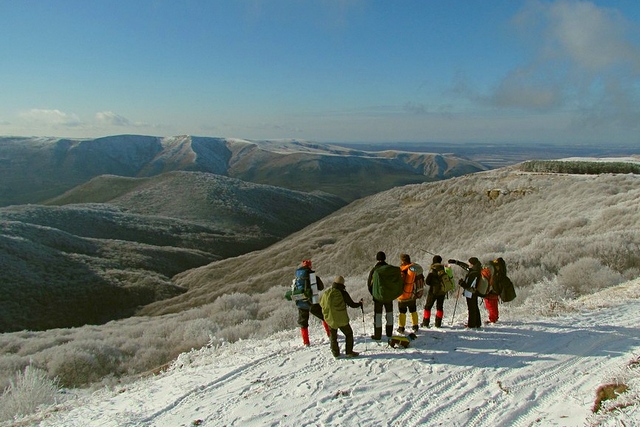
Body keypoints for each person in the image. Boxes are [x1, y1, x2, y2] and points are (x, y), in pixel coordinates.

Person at [320, 276, 364, 358]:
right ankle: (349, 352)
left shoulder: (326, 293)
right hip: (341, 319)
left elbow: (321, 304)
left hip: (330, 319)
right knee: (349, 334)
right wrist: (360, 303)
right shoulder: (343, 293)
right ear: (342, 283)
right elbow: (352, 304)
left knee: (333, 337)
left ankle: (336, 354)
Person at [293, 259, 331, 346]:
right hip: (312, 302)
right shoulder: (313, 276)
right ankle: (330, 334)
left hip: (300, 302)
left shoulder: (297, 277)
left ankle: (306, 342)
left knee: (303, 322)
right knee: (324, 316)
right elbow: (321, 287)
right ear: (310, 266)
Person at [367, 251, 394, 340]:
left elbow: (369, 284)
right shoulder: (389, 269)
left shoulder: (375, 270)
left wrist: (374, 294)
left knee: (378, 316)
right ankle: (389, 333)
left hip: (378, 297)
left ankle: (377, 335)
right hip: (388, 296)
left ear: (377, 259)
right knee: (389, 314)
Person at [448, 257, 482, 328]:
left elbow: (468, 285)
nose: (468, 264)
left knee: (471, 308)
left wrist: (461, 283)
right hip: (475, 292)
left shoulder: (473, 273)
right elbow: (466, 267)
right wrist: (456, 262)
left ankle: (471, 325)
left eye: (469, 263)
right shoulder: (477, 269)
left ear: (472, 264)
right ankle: (477, 323)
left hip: (470, 293)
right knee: (475, 307)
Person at [422, 255, 447, 328]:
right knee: (440, 307)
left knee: (427, 307)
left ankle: (426, 323)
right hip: (442, 291)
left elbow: (427, 282)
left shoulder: (433, 269)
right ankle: (438, 324)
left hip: (433, 291)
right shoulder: (445, 269)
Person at [397, 253, 420, 333]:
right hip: (411, 294)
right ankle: (415, 326)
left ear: (402, 261)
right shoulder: (413, 269)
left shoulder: (401, 269)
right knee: (413, 311)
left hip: (402, 296)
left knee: (402, 312)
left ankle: (401, 327)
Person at [484, 257, 507, 323]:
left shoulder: (494, 269)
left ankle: (493, 319)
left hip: (491, 290)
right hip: (497, 289)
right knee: (493, 305)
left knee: (490, 305)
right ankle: (494, 318)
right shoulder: (501, 270)